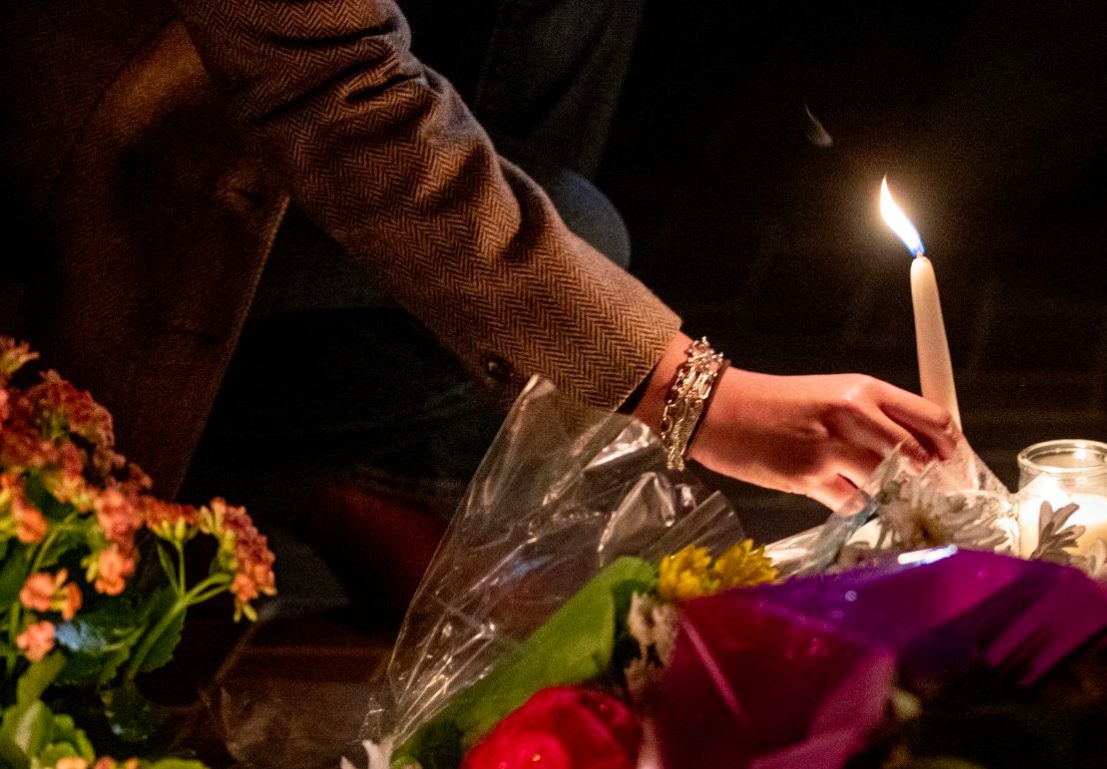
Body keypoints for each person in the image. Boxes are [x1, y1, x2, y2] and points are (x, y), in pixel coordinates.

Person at [0, 0, 960, 611]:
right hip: (92, 208)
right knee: (584, 234)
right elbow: (339, 94)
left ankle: (442, 436)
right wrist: (691, 395)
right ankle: (297, 462)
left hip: (256, 84)